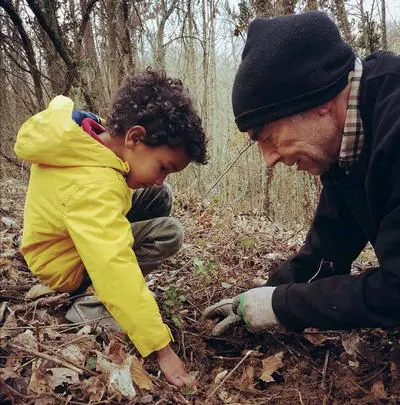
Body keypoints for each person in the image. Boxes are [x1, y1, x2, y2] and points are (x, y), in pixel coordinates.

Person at [204, 11, 400, 336]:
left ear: (318, 101)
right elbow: (328, 251)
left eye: (267, 137)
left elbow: (395, 289)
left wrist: (284, 306)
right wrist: (262, 296)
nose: (268, 159)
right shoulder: (348, 141)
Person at [14, 69, 208, 387]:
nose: (161, 176)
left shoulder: (85, 135)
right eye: (163, 167)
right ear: (134, 137)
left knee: (159, 195)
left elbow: (110, 205)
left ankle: (107, 298)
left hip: (67, 237)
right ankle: (87, 306)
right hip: (65, 268)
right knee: (168, 233)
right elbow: (113, 265)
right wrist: (161, 348)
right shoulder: (94, 187)